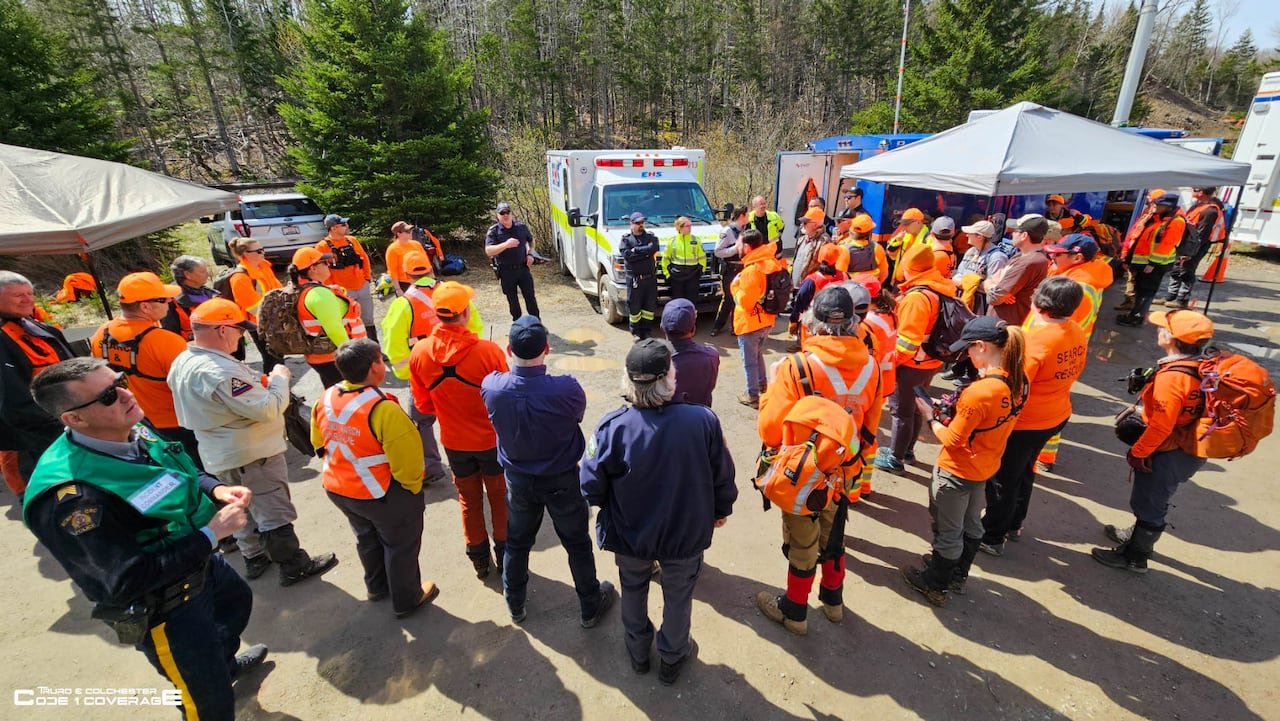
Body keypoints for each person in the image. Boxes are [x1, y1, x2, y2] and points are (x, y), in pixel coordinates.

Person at [24, 358, 267, 721]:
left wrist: (216, 489)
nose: (125, 394)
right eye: (108, 395)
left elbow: (178, 470)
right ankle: (207, 679)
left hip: (197, 561)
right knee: (208, 703)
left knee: (236, 602)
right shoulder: (75, 498)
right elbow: (126, 579)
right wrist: (211, 533)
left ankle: (221, 665)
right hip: (165, 605)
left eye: (120, 381)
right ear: (75, 419)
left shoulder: (132, 427)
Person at [581, 339, 737, 685]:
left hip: (629, 535)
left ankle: (638, 654)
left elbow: (590, 486)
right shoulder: (703, 420)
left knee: (633, 588)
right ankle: (672, 655)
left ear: (627, 379)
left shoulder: (611, 427)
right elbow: (722, 474)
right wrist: (720, 509)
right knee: (678, 594)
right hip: (685, 535)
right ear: (671, 378)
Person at [168, 298, 338, 585]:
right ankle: (292, 564)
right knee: (273, 509)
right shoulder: (219, 371)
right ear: (223, 330)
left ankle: (254, 557)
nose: (241, 335)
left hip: (219, 451)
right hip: (250, 452)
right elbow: (268, 408)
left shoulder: (184, 360)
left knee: (239, 505)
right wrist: (279, 380)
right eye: (238, 329)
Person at [755, 286, 882, 634]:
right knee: (835, 534)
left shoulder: (796, 367)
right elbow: (870, 425)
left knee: (802, 542)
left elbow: (769, 429)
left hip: (802, 473)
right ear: (855, 323)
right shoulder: (872, 366)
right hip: (844, 469)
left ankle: (794, 611)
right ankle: (833, 601)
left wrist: (771, 387)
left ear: (813, 323)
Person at [480, 316, 615, 626]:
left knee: (517, 542)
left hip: (518, 479)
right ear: (548, 349)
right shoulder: (566, 388)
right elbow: (578, 415)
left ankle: (515, 604)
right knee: (577, 543)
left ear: (507, 349)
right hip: (562, 479)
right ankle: (590, 606)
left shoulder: (493, 386)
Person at [900, 317, 1027, 606]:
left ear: (981, 346)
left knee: (947, 529)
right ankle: (958, 574)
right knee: (972, 524)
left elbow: (953, 440)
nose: (966, 355)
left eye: (968, 349)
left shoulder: (980, 392)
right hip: (985, 465)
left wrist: (930, 415)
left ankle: (936, 583)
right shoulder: (1017, 380)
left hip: (957, 469)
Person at [311, 339, 438, 618]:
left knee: (367, 538)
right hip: (379, 493)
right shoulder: (383, 409)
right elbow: (408, 461)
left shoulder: (327, 396)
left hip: (338, 487)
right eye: (381, 359)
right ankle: (407, 599)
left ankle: (377, 587)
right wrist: (411, 491)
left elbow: (318, 441)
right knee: (400, 545)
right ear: (373, 367)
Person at [1092, 310, 1215, 573]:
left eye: (1163, 328)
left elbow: (1161, 425)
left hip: (1168, 451)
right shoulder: (1202, 365)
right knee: (1154, 499)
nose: (1158, 330)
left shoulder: (1173, 378)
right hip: (1188, 447)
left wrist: (1138, 452)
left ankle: (1135, 557)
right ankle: (1137, 534)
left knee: (1150, 502)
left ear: (1170, 338)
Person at [408, 282, 510, 579]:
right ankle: (505, 555)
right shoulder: (488, 352)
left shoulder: (420, 353)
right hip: (490, 441)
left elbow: (424, 407)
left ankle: (478, 559)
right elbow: (504, 399)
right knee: (499, 497)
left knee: (468, 500)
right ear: (464, 312)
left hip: (454, 443)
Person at [980, 277, 1086, 554]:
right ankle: (1015, 522)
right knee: (1025, 470)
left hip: (1025, 422)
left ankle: (992, 535)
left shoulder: (1035, 342)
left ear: (1038, 303)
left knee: (1002, 478)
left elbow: (1015, 387)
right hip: (1055, 413)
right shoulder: (1075, 331)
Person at [381, 251, 482, 487]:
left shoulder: (402, 305)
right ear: (431, 268)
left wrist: (408, 373)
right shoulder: (456, 295)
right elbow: (475, 327)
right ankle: (474, 459)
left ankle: (431, 465)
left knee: (421, 422)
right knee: (464, 415)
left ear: (407, 275)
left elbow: (393, 345)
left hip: (424, 372)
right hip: (461, 369)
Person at [91, 272, 200, 465]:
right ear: (145, 306)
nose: (170, 301)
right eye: (164, 299)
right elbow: (194, 387)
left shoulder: (101, 333)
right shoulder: (166, 341)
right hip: (177, 426)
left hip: (135, 423)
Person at [874, 243, 956, 473]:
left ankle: (895, 458)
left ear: (909, 267)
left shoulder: (917, 298)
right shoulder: (939, 287)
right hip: (929, 361)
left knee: (900, 410)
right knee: (917, 405)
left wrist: (890, 364)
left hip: (912, 362)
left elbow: (907, 342)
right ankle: (907, 450)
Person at [1036, 234, 1114, 472]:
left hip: (1053, 354)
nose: (1052, 257)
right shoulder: (1078, 276)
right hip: (1060, 351)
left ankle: (1044, 456)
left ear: (1076, 257)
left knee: (1045, 406)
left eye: (1057, 254)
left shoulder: (1079, 287)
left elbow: (1054, 326)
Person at [0, 271, 77, 490]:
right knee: (43, 494)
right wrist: (62, 424)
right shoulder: (3, 341)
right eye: (18, 295)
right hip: (29, 440)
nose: (27, 299)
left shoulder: (43, 330)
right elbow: (13, 406)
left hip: (67, 427)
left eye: (29, 293)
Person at [290, 246, 368, 388]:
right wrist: (352, 355)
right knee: (351, 396)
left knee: (335, 393)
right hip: (332, 356)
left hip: (320, 355)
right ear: (313, 268)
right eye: (324, 263)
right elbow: (334, 329)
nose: (328, 266)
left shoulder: (303, 289)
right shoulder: (319, 294)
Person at [731, 228, 787, 408]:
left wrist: (734, 287)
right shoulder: (771, 261)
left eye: (739, 243)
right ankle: (762, 384)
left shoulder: (751, 271)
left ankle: (752, 394)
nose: (736, 246)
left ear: (747, 247)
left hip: (751, 322)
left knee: (749, 361)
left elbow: (746, 302)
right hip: (767, 320)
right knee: (757, 354)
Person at [1118, 193, 1185, 327]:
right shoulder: (1155, 218)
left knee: (1146, 292)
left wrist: (1152, 264)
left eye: (1158, 204)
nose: (1154, 207)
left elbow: (1166, 245)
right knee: (1140, 290)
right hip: (1144, 263)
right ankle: (1134, 315)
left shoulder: (1176, 222)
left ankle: (1137, 318)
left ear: (1168, 206)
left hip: (1155, 265)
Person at [224, 238, 284, 373]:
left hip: (274, 320)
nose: (263, 252)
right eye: (258, 251)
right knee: (272, 359)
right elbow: (252, 307)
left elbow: (278, 290)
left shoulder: (264, 267)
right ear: (245, 254)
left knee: (278, 357)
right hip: (259, 325)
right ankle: (272, 390)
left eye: (262, 249)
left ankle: (282, 389)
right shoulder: (240, 277)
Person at [316, 214, 377, 342]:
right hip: (342, 292)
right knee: (348, 322)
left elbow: (364, 259)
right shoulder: (323, 246)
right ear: (333, 228)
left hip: (362, 286)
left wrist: (367, 278)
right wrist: (334, 290)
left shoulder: (352, 240)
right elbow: (323, 271)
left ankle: (374, 347)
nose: (347, 226)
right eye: (343, 225)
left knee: (368, 319)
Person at [1164, 187, 1226, 308]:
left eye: (1194, 189)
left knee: (1187, 270)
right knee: (1176, 269)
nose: (1192, 191)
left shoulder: (1210, 211)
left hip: (1195, 246)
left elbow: (1202, 235)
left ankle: (1182, 300)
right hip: (1185, 243)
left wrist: (1190, 252)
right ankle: (1170, 296)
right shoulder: (1197, 206)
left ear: (1201, 192)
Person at [986, 213, 1051, 325]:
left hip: (1006, 328)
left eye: (1016, 231)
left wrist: (995, 285)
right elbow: (990, 280)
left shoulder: (1030, 261)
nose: (1012, 234)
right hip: (1000, 324)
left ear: (1024, 235)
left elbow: (994, 298)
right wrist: (993, 285)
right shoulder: (1021, 256)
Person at [484, 202, 540, 321]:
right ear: (497, 216)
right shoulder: (494, 231)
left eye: (507, 212)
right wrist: (505, 245)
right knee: (513, 301)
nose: (505, 215)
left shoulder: (521, 227)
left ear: (511, 214)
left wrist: (530, 253)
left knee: (530, 298)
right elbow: (489, 251)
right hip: (506, 271)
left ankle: (536, 324)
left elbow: (531, 240)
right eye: (502, 213)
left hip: (523, 268)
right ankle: (518, 326)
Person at [661, 298, 719, 407]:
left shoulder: (657, 363)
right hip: (701, 419)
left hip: (668, 421)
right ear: (693, 329)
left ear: (662, 327)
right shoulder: (712, 356)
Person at [1116, 189, 1166, 311]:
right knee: (1131, 278)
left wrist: (1153, 263)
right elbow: (1135, 232)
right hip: (1135, 253)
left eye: (1152, 201)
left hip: (1146, 258)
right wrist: (1125, 252)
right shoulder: (1148, 213)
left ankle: (1136, 310)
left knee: (1142, 286)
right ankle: (1130, 302)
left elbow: (1166, 244)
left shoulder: (1167, 220)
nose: (1150, 203)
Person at [789, 243, 847, 349]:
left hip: (812, 322)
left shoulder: (812, 280)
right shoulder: (844, 276)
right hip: (837, 322)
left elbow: (800, 302)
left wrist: (793, 320)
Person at [952, 219, 1013, 316]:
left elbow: (993, 288)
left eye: (970, 233)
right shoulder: (970, 252)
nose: (966, 235)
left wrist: (968, 282)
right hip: (962, 301)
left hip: (981, 307)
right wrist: (975, 282)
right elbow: (956, 277)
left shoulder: (997, 257)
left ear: (979, 237)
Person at [620, 211, 660, 340]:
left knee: (649, 306)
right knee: (635, 306)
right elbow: (628, 256)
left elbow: (653, 248)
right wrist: (645, 253)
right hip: (634, 279)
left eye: (642, 222)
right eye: (638, 223)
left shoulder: (651, 237)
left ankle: (646, 330)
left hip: (650, 278)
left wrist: (636, 250)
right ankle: (636, 331)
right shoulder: (626, 239)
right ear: (631, 224)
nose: (641, 225)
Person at [711, 205, 748, 337]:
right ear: (742, 216)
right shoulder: (727, 231)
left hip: (743, 269)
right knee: (728, 299)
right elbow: (718, 252)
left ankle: (735, 327)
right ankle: (717, 326)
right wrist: (735, 248)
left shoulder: (746, 229)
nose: (749, 218)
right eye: (747, 215)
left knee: (739, 300)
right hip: (730, 270)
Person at [162, 255, 218, 341]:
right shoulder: (170, 302)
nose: (208, 274)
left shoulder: (212, 294)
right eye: (203, 271)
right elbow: (171, 336)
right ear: (188, 275)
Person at [662, 216, 706, 304]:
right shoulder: (672, 241)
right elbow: (665, 259)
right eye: (687, 226)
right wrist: (667, 275)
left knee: (692, 301)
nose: (690, 228)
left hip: (692, 275)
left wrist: (701, 270)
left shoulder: (696, 240)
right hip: (677, 275)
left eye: (690, 225)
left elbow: (702, 257)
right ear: (679, 227)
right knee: (678, 302)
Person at [836, 213, 888, 282]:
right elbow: (884, 274)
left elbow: (840, 277)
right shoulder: (877, 248)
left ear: (852, 230)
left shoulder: (843, 249)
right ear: (870, 232)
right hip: (872, 289)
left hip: (850, 290)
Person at [888, 208, 930, 286]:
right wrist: (898, 240)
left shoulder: (927, 239)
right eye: (903, 224)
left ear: (918, 222)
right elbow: (891, 255)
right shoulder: (904, 236)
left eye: (907, 224)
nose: (904, 227)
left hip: (913, 283)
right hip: (899, 281)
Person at [385, 221, 429, 294]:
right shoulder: (392, 249)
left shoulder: (417, 244)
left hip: (422, 280)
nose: (411, 232)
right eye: (407, 231)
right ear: (399, 234)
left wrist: (432, 279)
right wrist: (398, 289)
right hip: (405, 284)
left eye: (410, 230)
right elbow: (392, 271)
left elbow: (427, 263)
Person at [792, 208, 830, 287]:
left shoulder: (824, 242)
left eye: (805, 223)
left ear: (815, 225)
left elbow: (825, 269)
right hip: (796, 287)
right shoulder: (802, 239)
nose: (802, 225)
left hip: (810, 288)